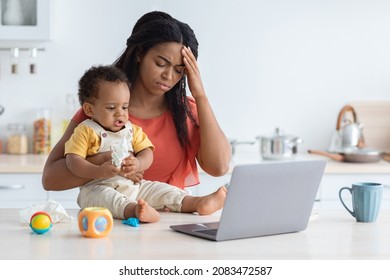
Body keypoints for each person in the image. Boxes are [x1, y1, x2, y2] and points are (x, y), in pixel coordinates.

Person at [42, 11, 231, 192]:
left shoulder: (186, 111)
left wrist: (201, 96)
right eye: (161, 63)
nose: (168, 75)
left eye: (179, 70)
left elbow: (219, 167)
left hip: (168, 221)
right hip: (113, 221)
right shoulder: (102, 109)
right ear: (140, 54)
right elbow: (50, 179)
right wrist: (108, 161)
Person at [65, 65, 227, 222]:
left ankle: (197, 203)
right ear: (89, 110)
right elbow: (73, 162)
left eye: (125, 107)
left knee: (162, 189)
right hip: (97, 186)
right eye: (111, 107)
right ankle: (135, 211)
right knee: (105, 198)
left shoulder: (131, 130)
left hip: (133, 186)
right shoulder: (84, 131)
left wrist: (138, 163)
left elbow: (147, 152)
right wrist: (98, 171)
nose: (120, 113)